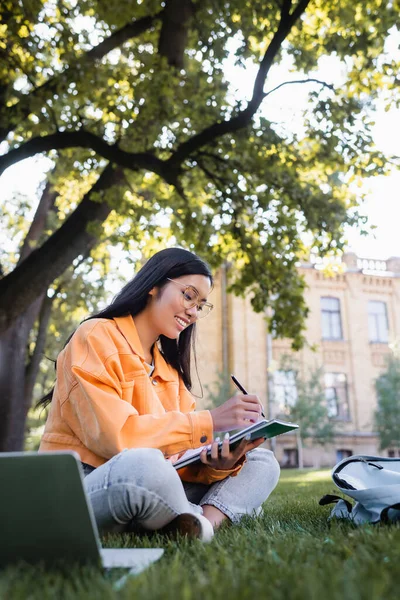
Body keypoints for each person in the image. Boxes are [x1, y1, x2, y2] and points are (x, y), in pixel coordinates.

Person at [39, 248, 280, 542]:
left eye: (200, 305)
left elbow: (177, 461)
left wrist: (218, 466)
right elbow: (117, 438)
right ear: (154, 285)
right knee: (145, 465)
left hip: (156, 484)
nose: (193, 311)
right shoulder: (95, 335)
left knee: (261, 463)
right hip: (92, 483)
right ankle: (205, 513)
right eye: (189, 296)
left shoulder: (170, 374)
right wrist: (210, 421)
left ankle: (201, 524)